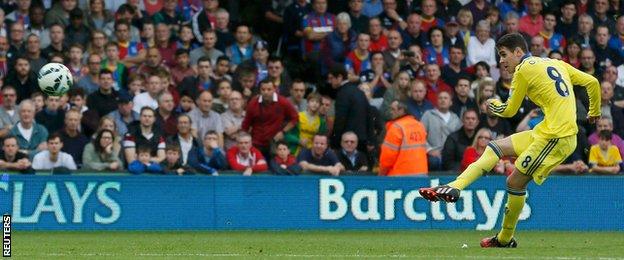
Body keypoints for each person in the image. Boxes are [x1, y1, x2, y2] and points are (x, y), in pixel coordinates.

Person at [419, 33, 601, 248]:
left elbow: (510, 110)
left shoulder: (523, 69)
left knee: (514, 182)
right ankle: (455, 187)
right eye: (499, 56)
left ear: (518, 52)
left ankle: (504, 239)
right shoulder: (555, 63)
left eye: (504, 55)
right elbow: (592, 82)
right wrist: (594, 111)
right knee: (495, 146)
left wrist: (493, 106)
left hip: (556, 137)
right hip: (546, 131)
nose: (501, 61)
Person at [242, 79, 299, 158]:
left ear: (274, 89)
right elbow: (245, 125)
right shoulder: (253, 103)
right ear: (259, 90)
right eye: (263, 89)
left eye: (269, 89)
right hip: (256, 143)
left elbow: (295, 119)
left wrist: (283, 132)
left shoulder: (282, 102)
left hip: (275, 143)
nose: (266, 92)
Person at [379, 100, 428, 176]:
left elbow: (388, 157)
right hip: (421, 174)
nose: (391, 112)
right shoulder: (419, 125)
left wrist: (381, 174)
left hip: (401, 177)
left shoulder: (396, 127)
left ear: (401, 110)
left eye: (393, 109)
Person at [421, 91, 461, 170]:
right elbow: (421, 135)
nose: (443, 100)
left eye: (445, 98)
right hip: (433, 154)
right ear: (437, 101)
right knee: (434, 162)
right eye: (440, 98)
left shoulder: (455, 118)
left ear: (450, 102)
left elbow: (458, 138)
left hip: (450, 155)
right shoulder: (428, 115)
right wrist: (429, 150)